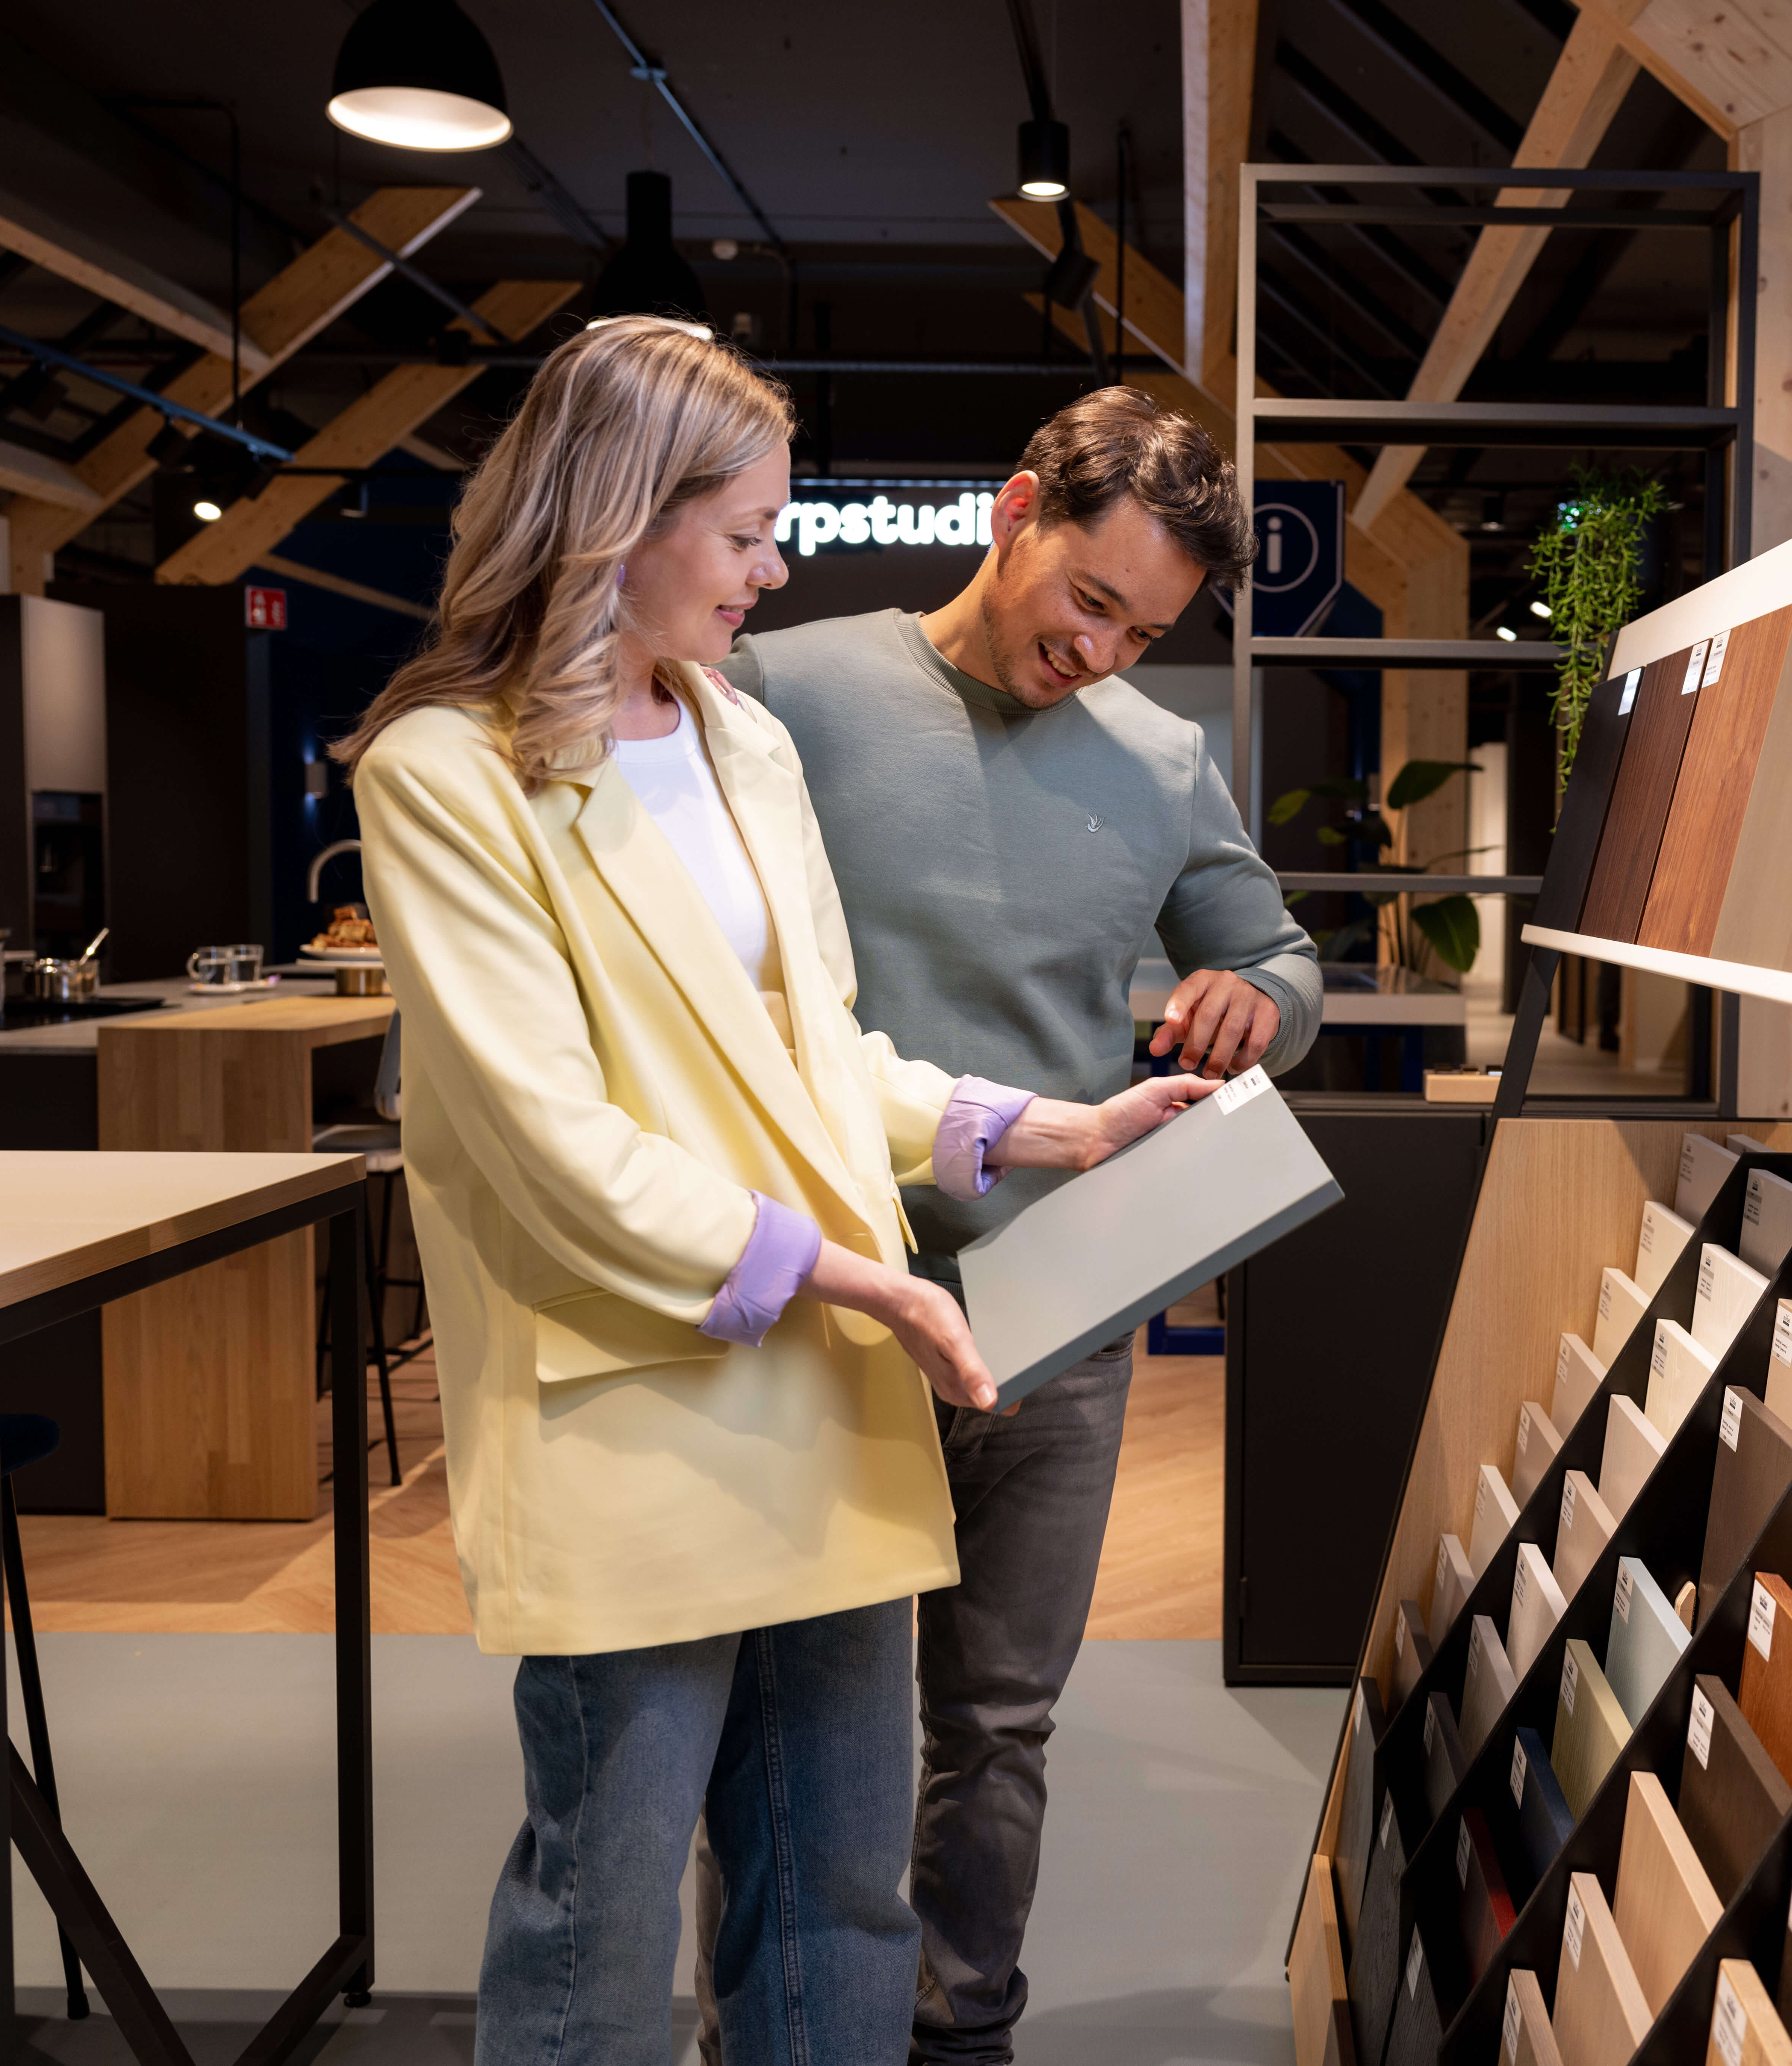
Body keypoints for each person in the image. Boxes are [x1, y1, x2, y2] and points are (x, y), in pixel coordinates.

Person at [336, 320, 1216, 2065]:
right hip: (634, 1410)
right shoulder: (446, 773)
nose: (773, 565)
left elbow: (824, 1050)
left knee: (834, 1894)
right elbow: (547, 1139)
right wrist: (860, 1279)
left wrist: (1051, 1129)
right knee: (600, 1903)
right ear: (613, 513)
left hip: (816, 1398)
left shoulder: (742, 744)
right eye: (743, 531)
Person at [691, 386, 1322, 2062]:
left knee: (998, 1722)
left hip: (1061, 1297)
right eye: (1088, 599)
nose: (1103, 651)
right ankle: (780, 2031)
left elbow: (1280, 961)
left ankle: (963, 2028)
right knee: (794, 1720)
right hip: (832, 1292)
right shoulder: (786, 691)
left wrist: (1247, 997)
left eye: (1146, 628)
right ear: (1016, 509)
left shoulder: (1160, 759)